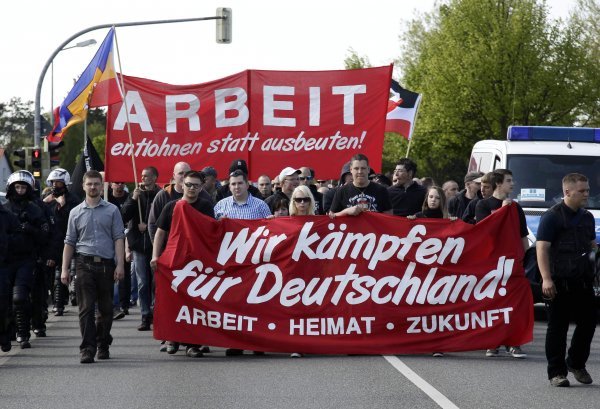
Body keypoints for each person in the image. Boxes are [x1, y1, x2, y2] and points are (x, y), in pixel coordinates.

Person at [536, 173, 597, 387]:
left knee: (588, 323)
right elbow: (542, 248)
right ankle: (557, 372)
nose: (586, 194)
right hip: (558, 281)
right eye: (582, 191)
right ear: (567, 192)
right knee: (558, 328)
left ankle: (576, 363)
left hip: (583, 281)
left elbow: (592, 246)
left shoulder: (588, 217)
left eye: (587, 190)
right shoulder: (552, 216)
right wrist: (546, 279)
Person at [61, 170, 125, 364]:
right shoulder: (75, 212)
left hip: (106, 265)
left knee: (105, 310)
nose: (93, 187)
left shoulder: (112, 210)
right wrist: (65, 269)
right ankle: (87, 348)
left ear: (102, 185)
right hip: (84, 264)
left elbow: (119, 238)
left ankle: (102, 342)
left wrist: (120, 264)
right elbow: (70, 241)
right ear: (83, 186)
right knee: (86, 308)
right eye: (89, 184)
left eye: (97, 184)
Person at [152, 170, 215, 358]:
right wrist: (155, 256)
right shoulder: (171, 206)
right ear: (182, 185)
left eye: (196, 185)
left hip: (197, 263)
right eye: (188, 184)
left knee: (195, 302)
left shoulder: (205, 206)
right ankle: (172, 338)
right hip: (173, 261)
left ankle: (193, 343)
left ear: (201, 186)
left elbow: (212, 231)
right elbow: (160, 233)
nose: (192, 188)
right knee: (172, 301)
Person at [214, 169, 271, 356]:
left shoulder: (261, 206)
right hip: (232, 263)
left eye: (240, 183)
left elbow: (272, 231)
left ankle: (258, 342)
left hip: (255, 261)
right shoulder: (220, 207)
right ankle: (236, 342)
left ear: (248, 184)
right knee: (234, 303)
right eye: (233, 184)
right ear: (228, 186)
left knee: (257, 303)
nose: (237, 187)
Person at [475, 169, 528, 359]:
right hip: (491, 262)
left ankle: (514, 342)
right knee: (492, 302)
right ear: (498, 183)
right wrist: (502, 211)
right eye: (509, 181)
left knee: (513, 303)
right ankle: (492, 342)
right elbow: (484, 231)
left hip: (512, 262)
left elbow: (523, 235)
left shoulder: (517, 207)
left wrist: (525, 257)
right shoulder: (483, 204)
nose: (512, 184)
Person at [4, 170, 50, 349]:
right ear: (11, 187)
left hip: (27, 260)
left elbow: (46, 234)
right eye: (17, 186)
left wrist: (30, 229)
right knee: (5, 299)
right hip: (6, 261)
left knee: (20, 297)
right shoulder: (5, 209)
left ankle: (23, 334)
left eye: (23, 187)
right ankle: (8, 332)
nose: (20, 190)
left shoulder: (35, 210)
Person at [40, 168, 80, 334]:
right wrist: (48, 203)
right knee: (52, 275)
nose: (56, 185)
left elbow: (74, 219)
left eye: (59, 183)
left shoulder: (73, 200)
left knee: (66, 273)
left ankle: (64, 301)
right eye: (54, 183)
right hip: (52, 243)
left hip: (70, 241)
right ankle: (55, 303)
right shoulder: (47, 200)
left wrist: (63, 206)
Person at [121, 166, 161, 331]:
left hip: (155, 246)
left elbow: (165, 218)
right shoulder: (136, 194)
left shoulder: (161, 195)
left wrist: (151, 226)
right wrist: (132, 200)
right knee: (142, 282)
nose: (143, 178)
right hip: (138, 245)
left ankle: (157, 313)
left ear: (155, 177)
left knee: (156, 282)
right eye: (142, 175)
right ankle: (145, 315)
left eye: (147, 175)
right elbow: (124, 215)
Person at [287, 185, 316, 358]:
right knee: (294, 308)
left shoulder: (320, 221)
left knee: (308, 307)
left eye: (306, 199)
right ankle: (295, 344)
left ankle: (308, 343)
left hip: (312, 270)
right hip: (292, 271)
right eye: (298, 200)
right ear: (293, 202)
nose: (302, 203)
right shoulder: (285, 220)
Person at [148, 162, 191, 242]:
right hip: (168, 248)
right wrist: (158, 250)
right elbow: (153, 224)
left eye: (187, 173)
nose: (184, 176)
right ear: (174, 176)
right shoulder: (163, 195)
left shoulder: (201, 195)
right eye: (181, 173)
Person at [0, 203, 19, 352]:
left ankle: (4, 334)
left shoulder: (7, 216)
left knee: (3, 305)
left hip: (4, 266)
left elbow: (18, 237)